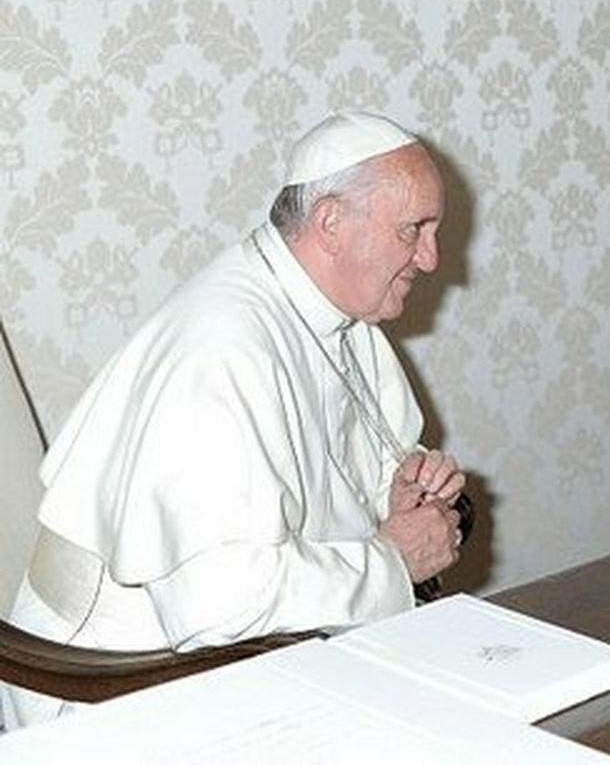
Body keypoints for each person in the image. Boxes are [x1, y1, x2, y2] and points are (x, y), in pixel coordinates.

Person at [1, 112, 467, 727]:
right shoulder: (218, 351)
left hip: (247, 664)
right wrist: (392, 560)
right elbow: (217, 605)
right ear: (331, 223)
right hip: (114, 691)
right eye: (413, 230)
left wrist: (396, 495)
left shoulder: (337, 316)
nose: (431, 258)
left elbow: (329, 482)